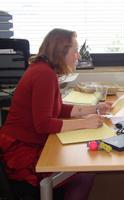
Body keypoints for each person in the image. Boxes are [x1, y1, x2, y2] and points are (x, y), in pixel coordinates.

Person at [0, 28, 112, 199]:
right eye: (75, 51)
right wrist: (85, 123)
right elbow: (44, 124)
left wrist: (96, 108)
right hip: (22, 154)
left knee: (81, 165)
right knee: (85, 173)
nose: (78, 56)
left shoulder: (44, 70)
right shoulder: (44, 75)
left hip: (29, 144)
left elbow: (58, 109)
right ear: (61, 52)